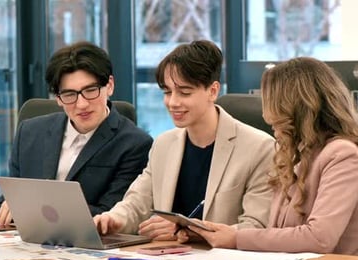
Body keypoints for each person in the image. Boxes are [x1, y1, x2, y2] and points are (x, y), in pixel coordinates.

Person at [180, 57, 358, 256]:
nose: (265, 112)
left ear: (297, 106)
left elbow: (319, 238)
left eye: (272, 101)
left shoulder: (342, 154)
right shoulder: (294, 154)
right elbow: (276, 231)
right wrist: (211, 234)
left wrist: (236, 238)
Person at [94, 40, 275, 240]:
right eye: (167, 92)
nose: (173, 102)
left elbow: (256, 226)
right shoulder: (163, 144)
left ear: (213, 91)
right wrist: (113, 219)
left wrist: (186, 231)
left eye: (185, 92)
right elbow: (137, 203)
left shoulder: (259, 148)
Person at [0, 41, 153, 227]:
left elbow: (110, 213)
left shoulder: (135, 144)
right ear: (58, 98)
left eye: (90, 91)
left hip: (89, 247)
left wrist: (30, 207)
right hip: (25, 242)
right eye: (69, 95)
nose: (82, 104)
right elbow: (7, 202)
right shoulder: (30, 132)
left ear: (109, 85)